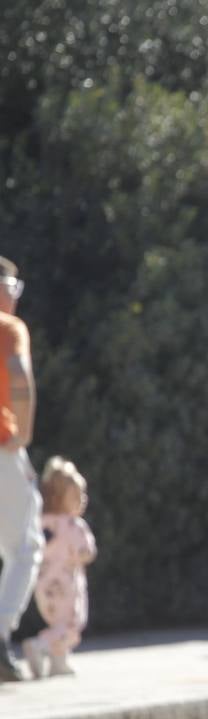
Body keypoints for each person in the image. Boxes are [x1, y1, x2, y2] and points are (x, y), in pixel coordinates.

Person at [0, 255, 42, 683]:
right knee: (26, 546)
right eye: (13, 289)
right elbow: (18, 375)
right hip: (0, 447)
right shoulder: (8, 328)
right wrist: (24, 434)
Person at [21, 456, 96, 678]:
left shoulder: (41, 523)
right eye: (77, 495)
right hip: (67, 587)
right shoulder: (73, 525)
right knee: (71, 624)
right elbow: (87, 552)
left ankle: (58, 663)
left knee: (58, 623)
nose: (83, 499)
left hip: (43, 587)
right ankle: (39, 645)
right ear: (60, 498)